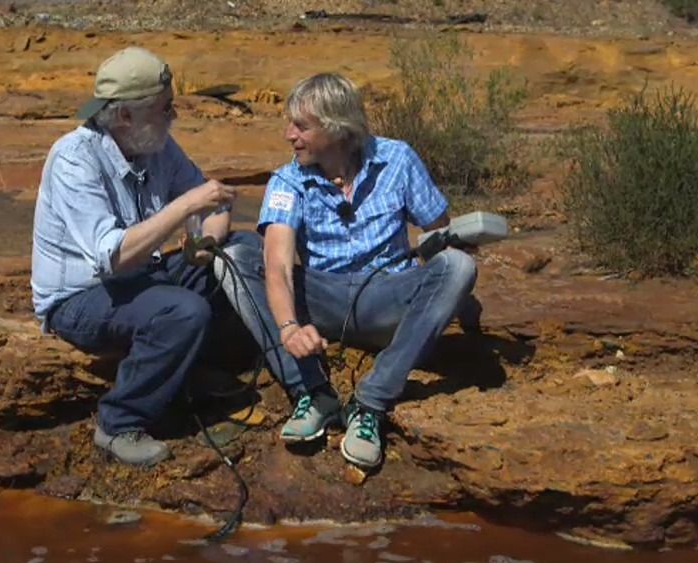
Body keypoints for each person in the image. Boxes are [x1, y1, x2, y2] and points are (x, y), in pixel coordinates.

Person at [218, 73, 477, 469]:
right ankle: (311, 391)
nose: (289, 135)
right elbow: (278, 266)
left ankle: (370, 404)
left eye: (301, 126)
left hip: (386, 297)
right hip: (320, 301)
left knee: (458, 265)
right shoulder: (288, 180)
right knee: (235, 256)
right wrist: (289, 326)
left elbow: (440, 235)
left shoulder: (398, 159)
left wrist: (453, 293)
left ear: (337, 129)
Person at [31, 46, 259, 467]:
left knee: (240, 255)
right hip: (81, 297)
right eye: (164, 108)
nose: (173, 116)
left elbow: (213, 204)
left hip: (141, 278)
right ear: (124, 116)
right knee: (182, 311)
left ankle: (189, 371)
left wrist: (206, 243)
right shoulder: (73, 160)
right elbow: (111, 258)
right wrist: (185, 208)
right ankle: (119, 424)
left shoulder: (156, 145)